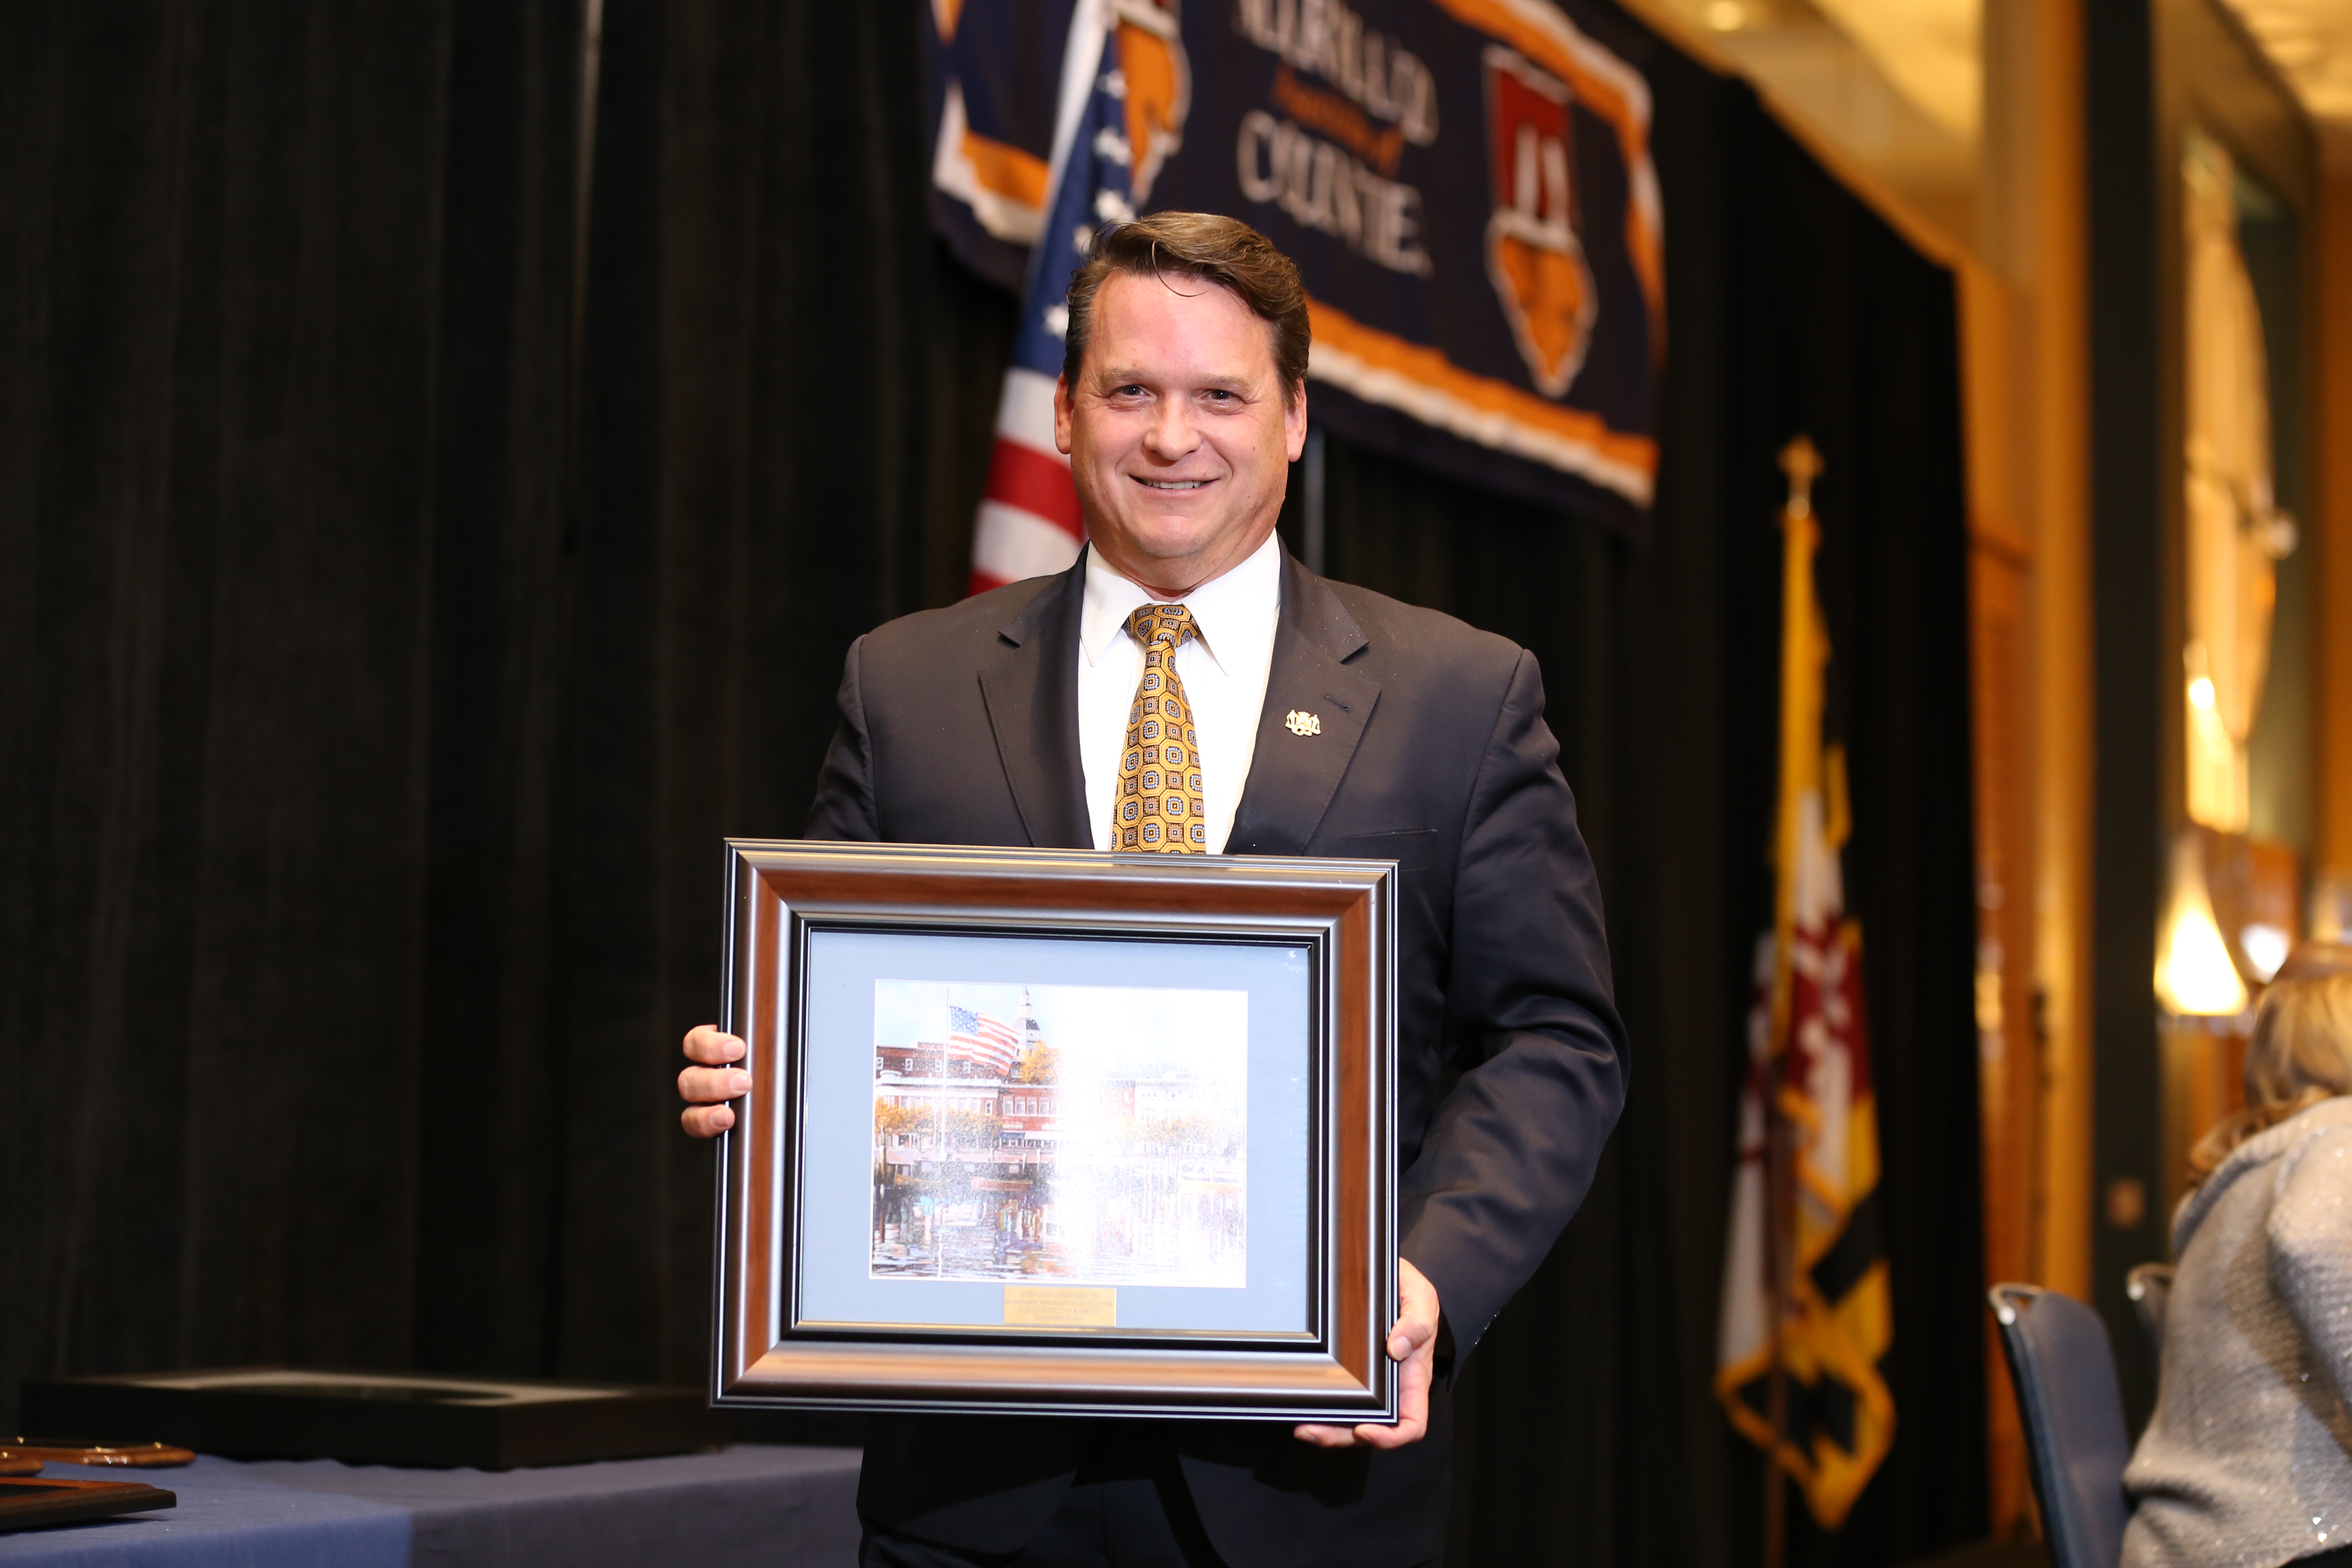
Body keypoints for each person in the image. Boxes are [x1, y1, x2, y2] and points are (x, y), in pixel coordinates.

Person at [677, 212, 1627, 1568]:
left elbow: (1555, 1040)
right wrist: (772, 1083)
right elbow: (842, 1004)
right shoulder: (907, 686)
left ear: (1294, 420)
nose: (1172, 437)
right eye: (1130, 390)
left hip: (1308, 1486)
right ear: (1066, 413)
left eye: (1220, 396)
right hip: (973, 1489)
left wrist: (1426, 1275)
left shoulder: (1460, 698)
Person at [2124, 966, 2352, 1568]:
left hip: (2179, 1541)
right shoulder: (2341, 1132)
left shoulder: (2240, 1180)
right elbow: (2308, 1243)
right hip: (2291, 1543)